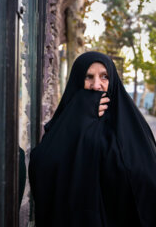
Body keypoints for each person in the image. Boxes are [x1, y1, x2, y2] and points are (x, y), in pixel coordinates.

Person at [29, 51, 156, 226]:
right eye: (89, 77)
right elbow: (42, 165)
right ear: (77, 81)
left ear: (113, 81)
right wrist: (77, 117)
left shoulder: (129, 123)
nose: (97, 85)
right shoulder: (68, 120)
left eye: (104, 76)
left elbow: (146, 178)